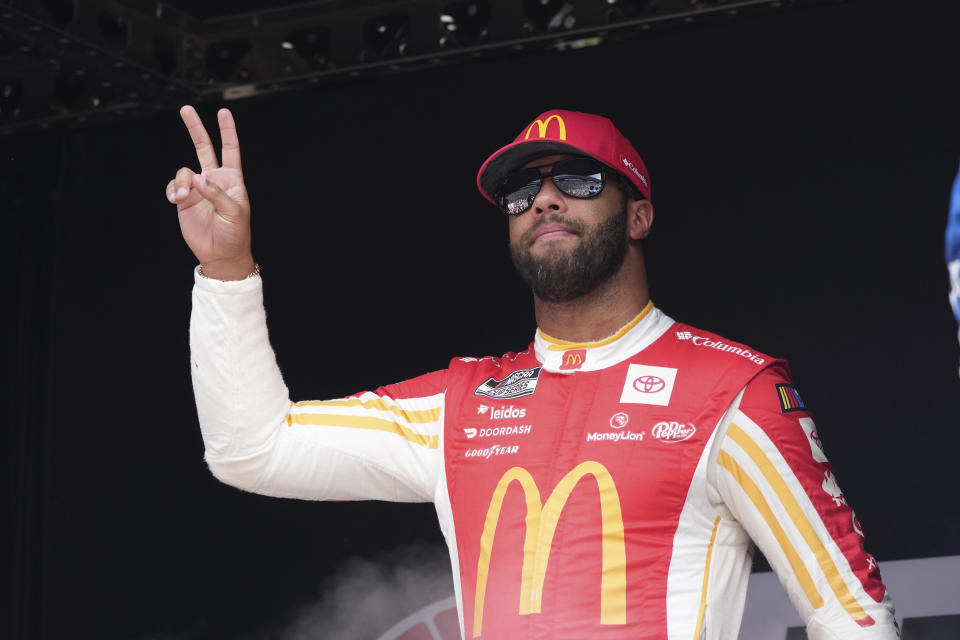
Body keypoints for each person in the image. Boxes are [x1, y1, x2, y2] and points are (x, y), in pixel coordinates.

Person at [168, 106, 900, 639]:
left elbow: (851, 614)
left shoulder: (730, 390)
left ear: (638, 215)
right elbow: (252, 451)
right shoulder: (460, 402)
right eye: (521, 193)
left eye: (578, 179)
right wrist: (226, 271)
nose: (543, 199)